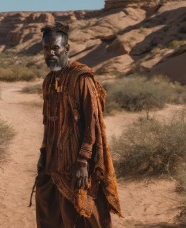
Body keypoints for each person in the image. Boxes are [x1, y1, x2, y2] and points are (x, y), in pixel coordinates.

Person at [34, 22, 122, 228]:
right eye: (46, 49)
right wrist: (43, 152)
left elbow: (93, 123)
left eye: (55, 48)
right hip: (54, 160)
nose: (50, 53)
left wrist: (83, 160)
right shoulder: (49, 81)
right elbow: (48, 121)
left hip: (79, 161)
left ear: (67, 48)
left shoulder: (81, 78)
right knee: (49, 209)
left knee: (87, 214)